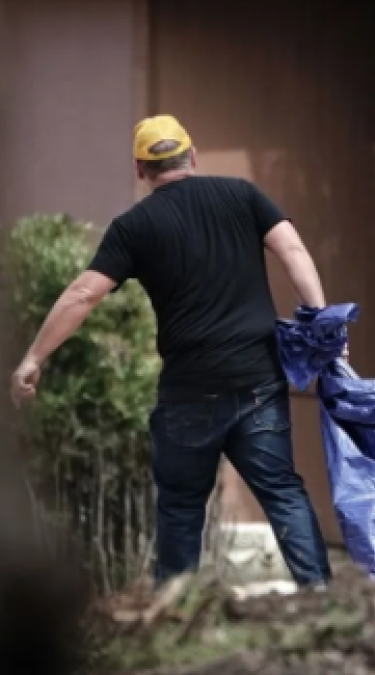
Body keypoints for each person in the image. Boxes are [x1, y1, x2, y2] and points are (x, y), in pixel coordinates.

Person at [9, 114, 332, 587]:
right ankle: (320, 595)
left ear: (141, 171)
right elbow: (294, 250)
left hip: (190, 391)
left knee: (182, 506)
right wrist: (319, 319)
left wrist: (34, 358)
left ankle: (176, 610)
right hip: (257, 379)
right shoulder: (243, 196)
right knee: (283, 491)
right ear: (193, 156)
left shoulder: (134, 226)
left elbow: (83, 295)